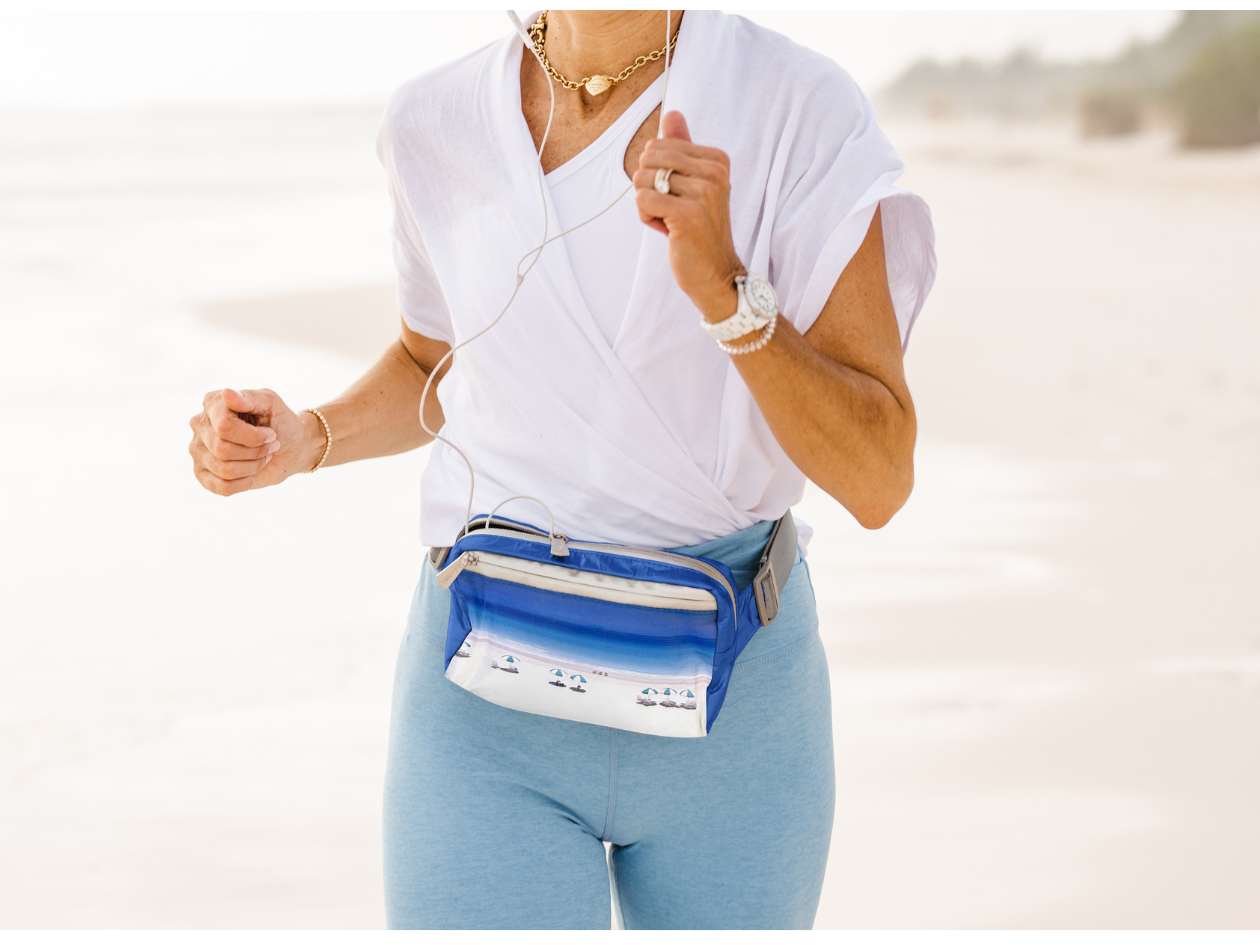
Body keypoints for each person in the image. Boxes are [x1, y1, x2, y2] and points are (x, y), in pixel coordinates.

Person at [187, 9, 935, 930]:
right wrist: (307, 437)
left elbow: (879, 475)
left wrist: (726, 291)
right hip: (484, 693)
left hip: (733, 699)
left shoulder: (795, 108)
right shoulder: (435, 120)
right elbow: (435, 359)